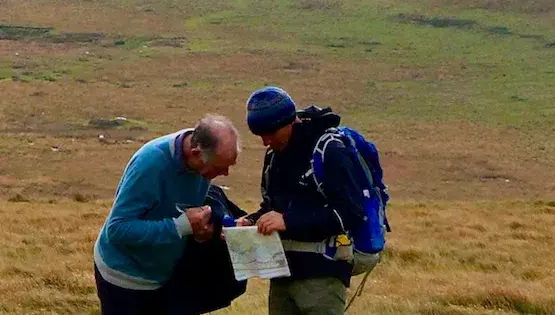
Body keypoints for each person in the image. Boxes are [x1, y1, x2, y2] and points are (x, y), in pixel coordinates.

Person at [94, 115, 242, 314]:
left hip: (166, 277)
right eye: (219, 167)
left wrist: (201, 231)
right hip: (125, 279)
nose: (225, 174)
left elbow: (182, 210)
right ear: (195, 153)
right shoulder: (151, 164)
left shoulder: (201, 151)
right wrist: (181, 226)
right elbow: (118, 229)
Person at [239, 87, 369, 315]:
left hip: (322, 276)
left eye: (270, 133)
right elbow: (273, 208)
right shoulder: (274, 156)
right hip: (282, 273)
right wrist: (252, 220)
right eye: (260, 135)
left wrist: (289, 222)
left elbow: (350, 213)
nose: (265, 142)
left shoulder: (329, 151)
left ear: (289, 122)